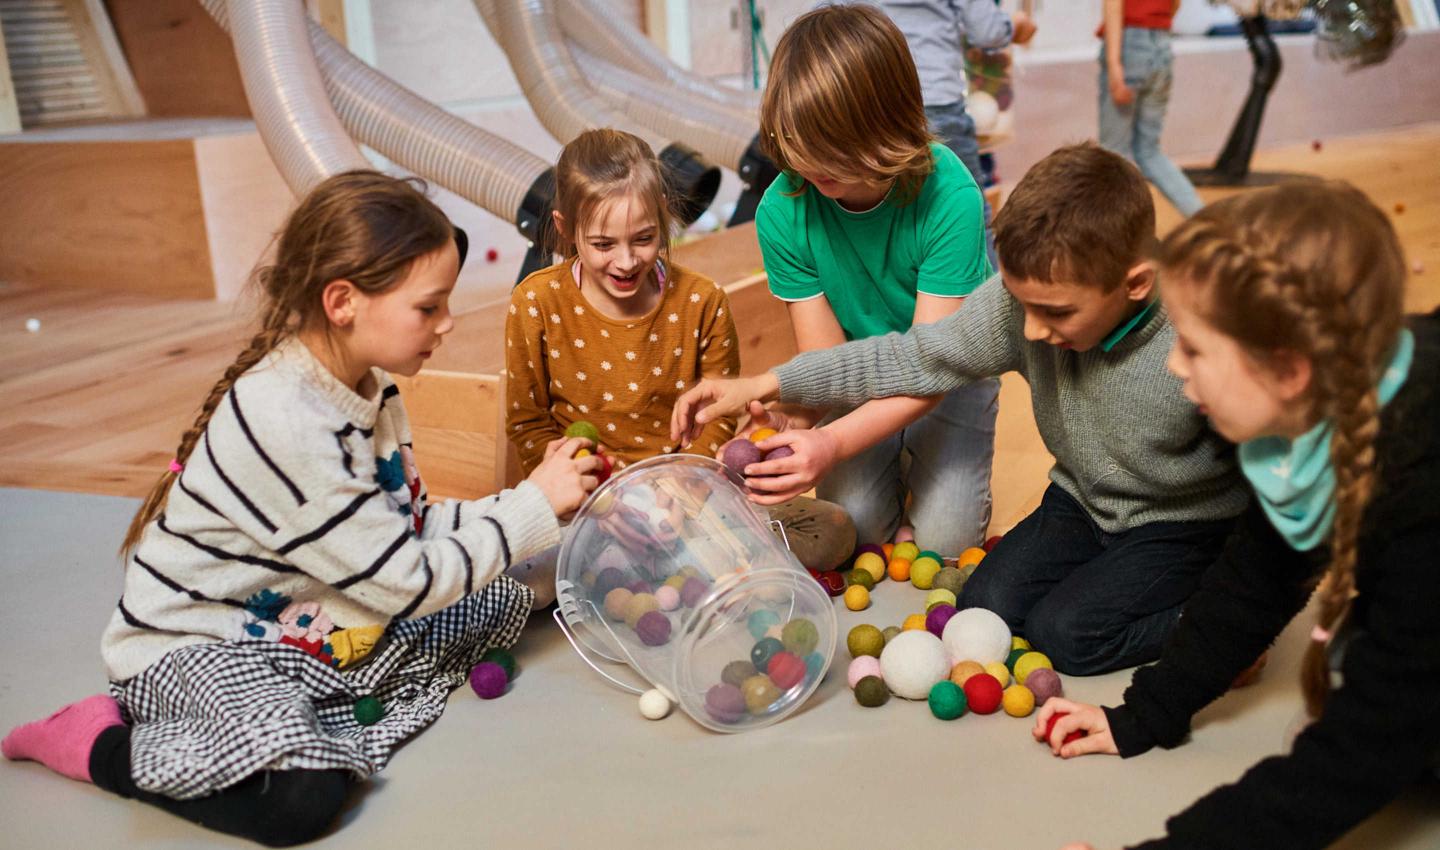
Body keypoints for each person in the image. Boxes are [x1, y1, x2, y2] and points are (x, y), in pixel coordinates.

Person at [2, 171, 597, 846]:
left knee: (507, 589)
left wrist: (546, 514)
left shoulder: (369, 389)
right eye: (428, 308)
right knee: (298, 798)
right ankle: (95, 744)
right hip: (195, 646)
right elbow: (403, 581)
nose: (448, 323)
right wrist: (529, 507)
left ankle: (299, 710)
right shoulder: (286, 417)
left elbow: (412, 526)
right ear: (343, 302)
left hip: (303, 620)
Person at [674, 143, 1249, 675]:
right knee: (985, 606)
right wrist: (766, 384)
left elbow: (1276, 456)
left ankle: (1217, 625)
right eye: (1021, 305)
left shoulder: (1198, 340)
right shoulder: (1027, 304)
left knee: (1068, 635)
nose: (1029, 330)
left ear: (1136, 284)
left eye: (1055, 313)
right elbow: (908, 358)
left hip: (1178, 523)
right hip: (1082, 501)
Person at [1035, 181, 1440, 849]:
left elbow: (1359, 752)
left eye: (1194, 349)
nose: (1173, 365)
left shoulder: (1420, 502)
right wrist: (1148, 713)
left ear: (1288, 371)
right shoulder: (1330, 404)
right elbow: (1255, 578)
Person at [505, 127, 855, 571]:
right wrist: (595, 501)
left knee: (834, 531)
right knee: (521, 577)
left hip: (687, 493)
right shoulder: (534, 303)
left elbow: (719, 415)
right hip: (585, 499)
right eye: (602, 244)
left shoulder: (702, 301)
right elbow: (527, 424)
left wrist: (683, 494)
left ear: (665, 217)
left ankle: (656, 565)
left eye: (644, 238)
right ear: (565, 229)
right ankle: (647, 565)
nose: (627, 261)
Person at [749, 3, 998, 557]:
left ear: (887, 121)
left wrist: (831, 442)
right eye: (797, 142)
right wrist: (791, 420)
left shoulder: (949, 195)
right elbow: (826, 364)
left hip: (952, 372)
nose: (812, 164)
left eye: (832, 144)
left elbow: (933, 370)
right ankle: (899, 483)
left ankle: (919, 486)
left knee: (944, 547)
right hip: (857, 373)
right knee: (852, 532)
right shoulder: (783, 209)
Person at [877, 0, 1037, 267]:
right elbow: (988, 31)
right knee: (969, 216)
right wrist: (1014, 25)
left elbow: (826, 17)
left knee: (891, 219)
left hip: (880, 105)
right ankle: (995, 308)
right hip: (939, 101)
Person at [1098, 0, 1203, 217]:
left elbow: (1114, 4)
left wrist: (1114, 63)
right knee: (1149, 152)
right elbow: (1175, 4)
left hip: (1129, 44)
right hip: (1162, 44)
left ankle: (1118, 236)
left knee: (1112, 157)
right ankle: (1207, 220)